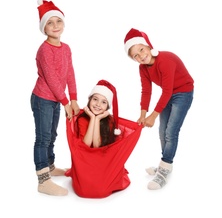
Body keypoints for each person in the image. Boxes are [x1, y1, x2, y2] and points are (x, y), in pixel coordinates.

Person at [123, 28, 194, 190]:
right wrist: (143, 114)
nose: (141, 56)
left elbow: (167, 91)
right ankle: (165, 163)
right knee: (162, 131)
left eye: (141, 49)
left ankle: (165, 167)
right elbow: (146, 91)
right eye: (136, 56)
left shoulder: (165, 60)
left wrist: (153, 116)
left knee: (171, 131)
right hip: (169, 95)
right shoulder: (142, 68)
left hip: (183, 92)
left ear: (148, 46)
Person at [30, 0, 80, 196]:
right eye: (50, 23)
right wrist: (66, 102)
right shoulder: (44, 50)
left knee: (52, 135)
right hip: (43, 99)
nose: (55, 26)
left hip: (57, 100)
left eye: (58, 21)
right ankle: (43, 180)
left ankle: (50, 167)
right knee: (42, 138)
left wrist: (74, 98)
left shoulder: (66, 48)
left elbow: (70, 73)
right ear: (44, 28)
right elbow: (51, 79)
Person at [65, 79, 142, 198]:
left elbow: (97, 146)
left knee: (100, 187)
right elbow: (86, 145)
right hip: (85, 162)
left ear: (107, 107)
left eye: (103, 102)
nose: (97, 104)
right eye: (95, 99)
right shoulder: (82, 119)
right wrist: (92, 117)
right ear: (90, 100)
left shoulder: (109, 121)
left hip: (101, 161)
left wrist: (98, 119)